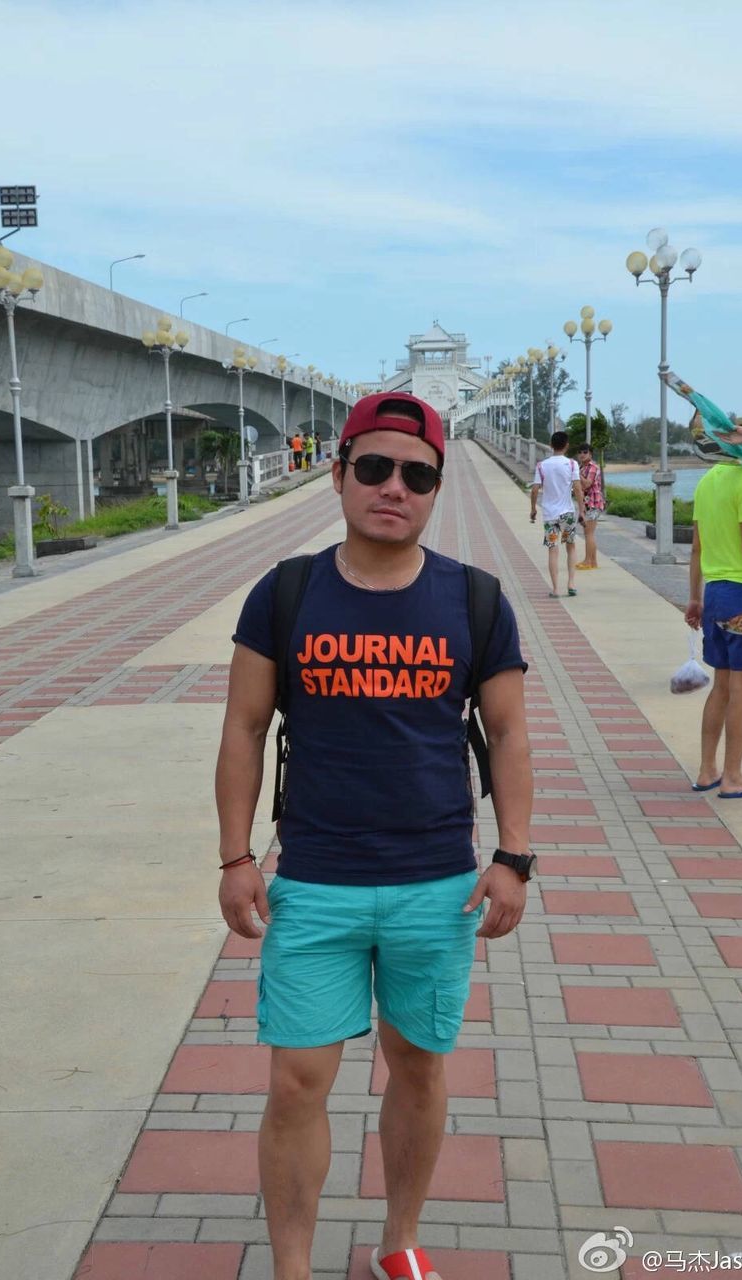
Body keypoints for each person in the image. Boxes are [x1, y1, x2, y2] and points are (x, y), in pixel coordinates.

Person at [215, 390, 533, 1280]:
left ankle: (399, 1242)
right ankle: (291, 1267)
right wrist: (238, 856)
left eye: (418, 474)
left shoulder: (474, 600)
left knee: (420, 1072)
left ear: (436, 489)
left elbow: (508, 732)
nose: (394, 487)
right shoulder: (285, 593)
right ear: (339, 471)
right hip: (314, 880)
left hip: (437, 883)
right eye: (375, 468)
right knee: (295, 1084)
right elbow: (242, 729)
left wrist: (513, 856)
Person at [685, 403, 742, 799]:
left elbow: (696, 548)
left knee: (721, 685)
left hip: (717, 592)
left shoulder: (709, 480)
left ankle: (708, 770)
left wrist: (695, 598)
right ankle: (735, 777)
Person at [530, 431, 585, 598]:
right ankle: (571, 583)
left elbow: (534, 489)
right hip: (567, 515)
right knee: (570, 546)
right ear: (566, 445)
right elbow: (577, 488)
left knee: (553, 550)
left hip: (550, 516)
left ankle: (555, 589)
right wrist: (581, 510)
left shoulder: (542, 465)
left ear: (550, 445)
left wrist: (533, 508)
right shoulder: (572, 465)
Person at [575, 442, 605, 570]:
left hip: (593, 503)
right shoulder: (582, 468)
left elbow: (587, 484)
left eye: (585, 452)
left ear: (590, 454)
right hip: (587, 504)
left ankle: (588, 561)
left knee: (589, 533)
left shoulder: (592, 467)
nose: (582, 454)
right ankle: (593, 562)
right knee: (589, 533)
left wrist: (577, 473)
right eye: (580, 452)